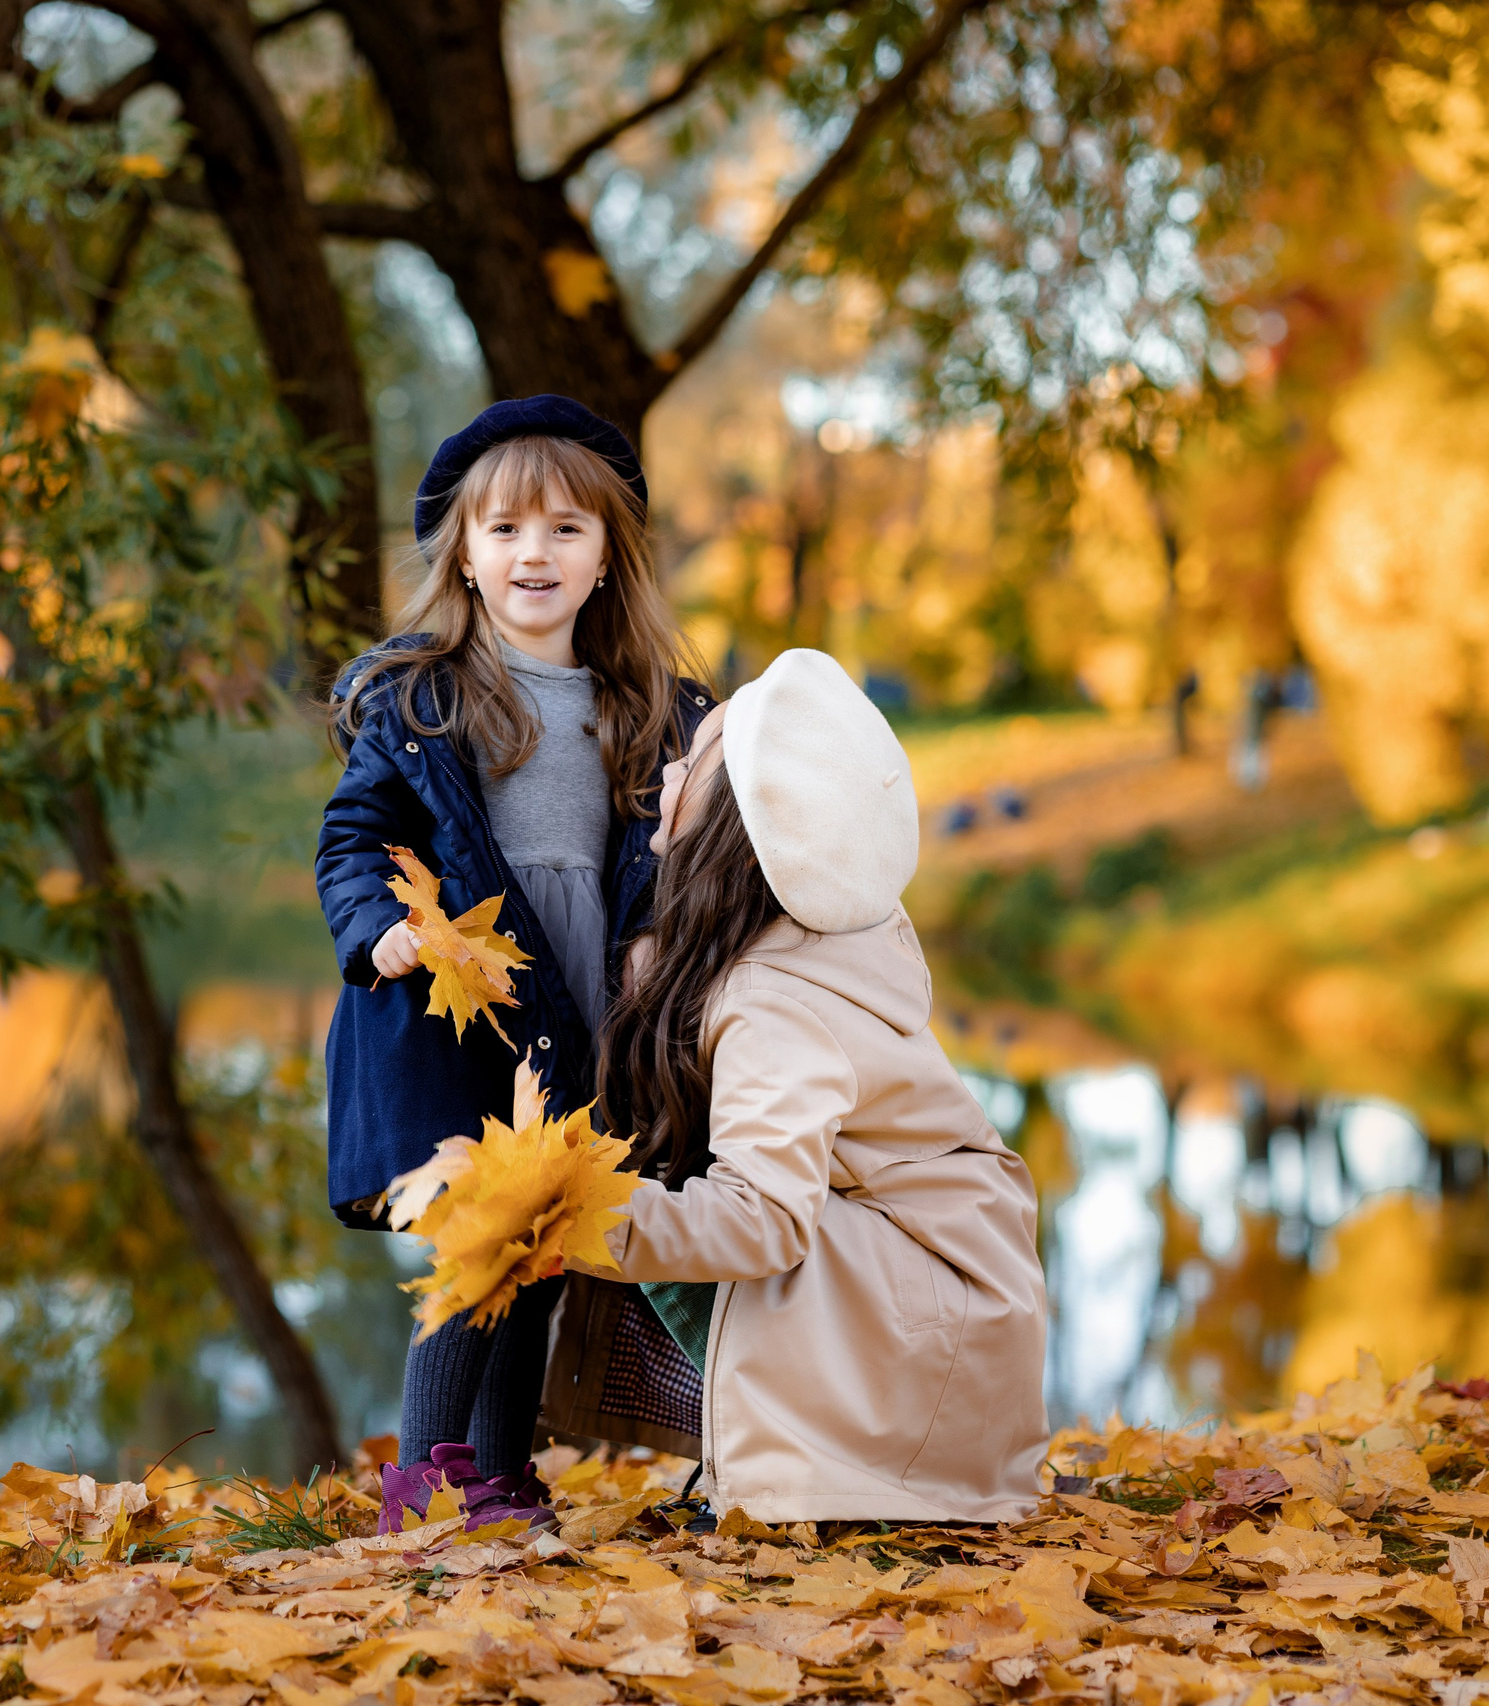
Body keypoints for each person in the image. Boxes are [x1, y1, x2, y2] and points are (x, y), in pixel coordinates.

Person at [316, 396, 714, 1532]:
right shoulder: (423, 698)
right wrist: (375, 926)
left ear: (606, 560)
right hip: (450, 1010)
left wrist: (657, 951)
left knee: (537, 1239)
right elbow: (351, 838)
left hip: (578, 1007)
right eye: (504, 531)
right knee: (478, 1234)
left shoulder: (653, 708)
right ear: (467, 558)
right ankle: (432, 1480)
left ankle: (498, 1466)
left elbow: (683, 857)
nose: (533, 551)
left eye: (564, 530)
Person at [571, 647, 1049, 1524]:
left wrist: (582, 1220)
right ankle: (791, 1445)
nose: (672, 764)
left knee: (684, 1208)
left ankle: (808, 1468)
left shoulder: (769, 1000)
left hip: (931, 1323)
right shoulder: (814, 939)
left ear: (737, 819)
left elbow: (763, 1218)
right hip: (962, 1302)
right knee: (675, 1195)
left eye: (699, 755)